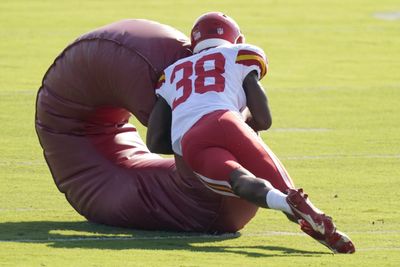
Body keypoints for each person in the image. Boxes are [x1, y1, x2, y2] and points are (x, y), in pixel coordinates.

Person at [147, 12, 355, 253]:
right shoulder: (240, 54)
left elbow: (155, 141)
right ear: (237, 38)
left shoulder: (172, 72)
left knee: (239, 181)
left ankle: (290, 207)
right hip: (228, 120)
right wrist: (241, 117)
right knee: (286, 189)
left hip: (192, 138)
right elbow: (264, 120)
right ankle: (317, 221)